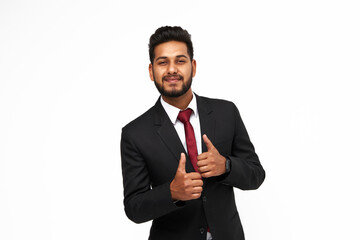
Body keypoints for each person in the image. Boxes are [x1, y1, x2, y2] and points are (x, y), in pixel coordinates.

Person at [120, 26, 265, 240]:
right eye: (163, 62)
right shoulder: (135, 133)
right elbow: (134, 208)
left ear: (193, 67)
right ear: (151, 71)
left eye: (180, 61)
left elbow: (256, 175)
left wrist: (226, 165)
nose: (172, 69)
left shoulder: (226, 112)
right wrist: (171, 192)